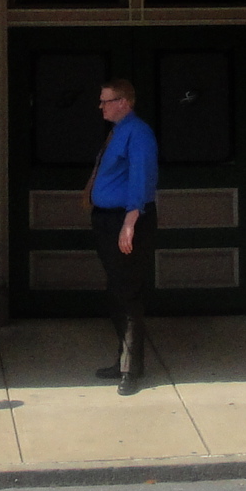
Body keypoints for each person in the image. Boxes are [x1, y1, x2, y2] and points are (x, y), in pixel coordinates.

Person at [89, 78, 159, 396]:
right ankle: (122, 360)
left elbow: (141, 178)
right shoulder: (116, 131)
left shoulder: (139, 132)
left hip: (126, 220)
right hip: (106, 219)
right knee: (115, 290)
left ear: (123, 102)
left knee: (128, 292)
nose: (100, 106)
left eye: (106, 100)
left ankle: (131, 369)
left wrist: (129, 223)